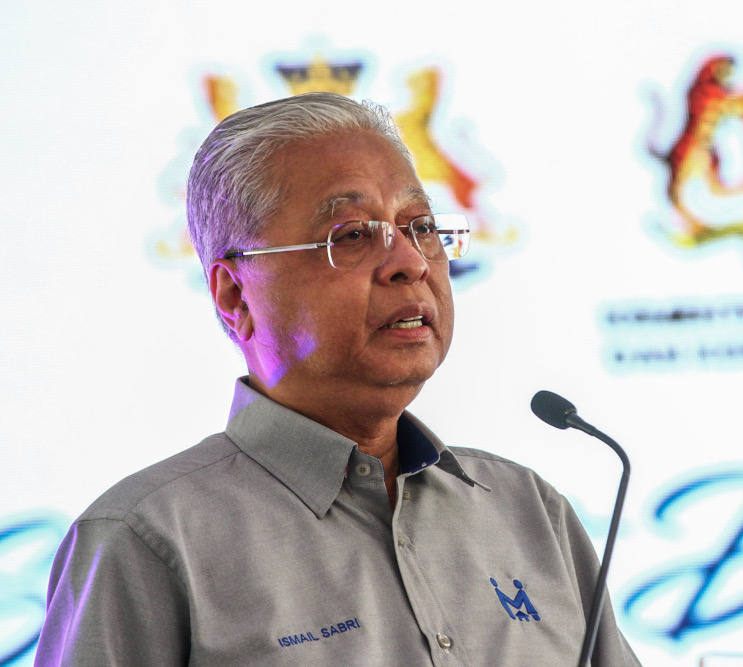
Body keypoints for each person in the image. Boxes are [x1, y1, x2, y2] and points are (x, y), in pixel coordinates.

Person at [35, 93, 640, 665]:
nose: (409, 263)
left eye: (421, 227)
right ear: (233, 295)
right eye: (352, 235)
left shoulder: (529, 511)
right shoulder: (143, 543)